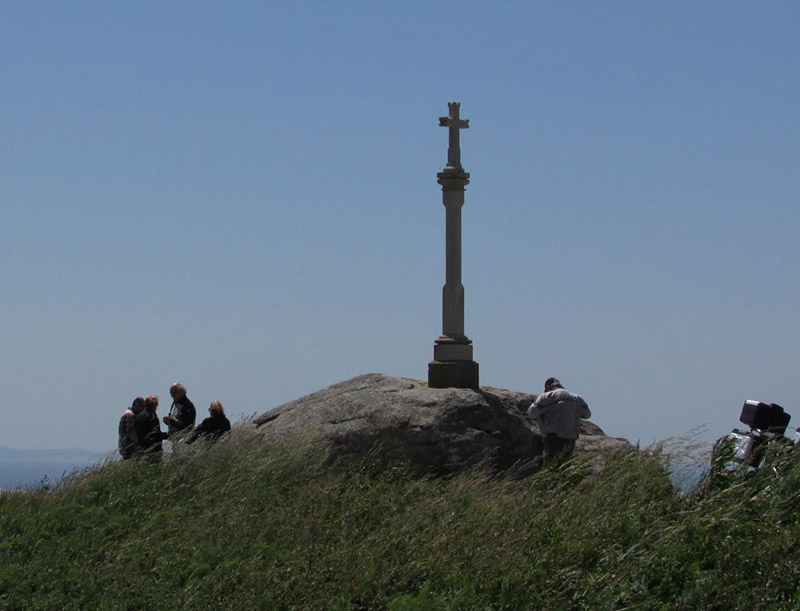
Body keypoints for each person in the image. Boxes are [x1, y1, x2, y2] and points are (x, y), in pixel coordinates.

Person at [528, 377, 591, 464]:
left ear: (547, 387)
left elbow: (532, 413)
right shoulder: (576, 398)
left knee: (551, 466)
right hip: (570, 438)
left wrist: (548, 408)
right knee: (565, 466)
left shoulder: (546, 396)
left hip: (552, 438)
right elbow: (587, 414)